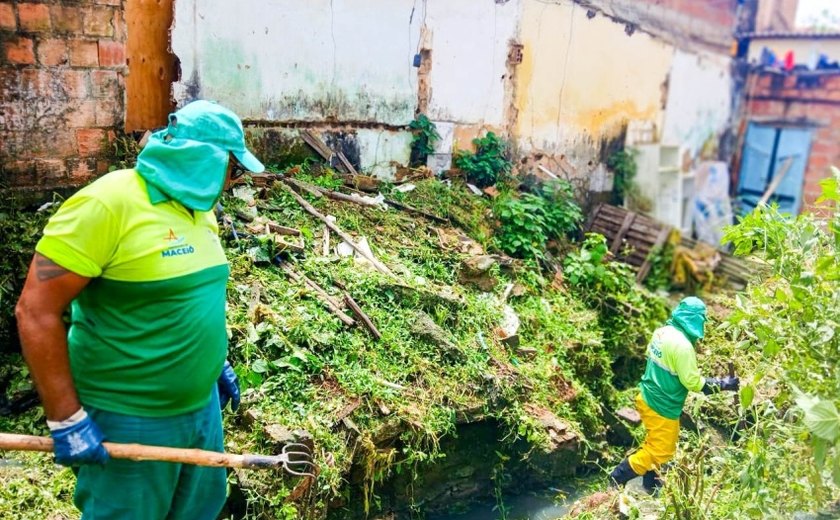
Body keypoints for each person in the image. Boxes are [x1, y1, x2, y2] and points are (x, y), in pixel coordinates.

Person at [15, 100, 264, 519]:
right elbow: (34, 311)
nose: (232, 181)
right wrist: (65, 417)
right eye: (233, 169)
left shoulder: (199, 210)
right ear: (205, 161)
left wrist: (212, 363)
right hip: (131, 417)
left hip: (201, 410)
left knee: (199, 510)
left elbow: (189, 296)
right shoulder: (105, 206)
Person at [608, 296, 739, 494]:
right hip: (662, 406)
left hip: (647, 396)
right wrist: (723, 384)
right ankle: (617, 477)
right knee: (661, 450)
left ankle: (650, 485)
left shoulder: (662, 332)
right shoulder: (683, 347)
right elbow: (693, 383)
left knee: (656, 443)